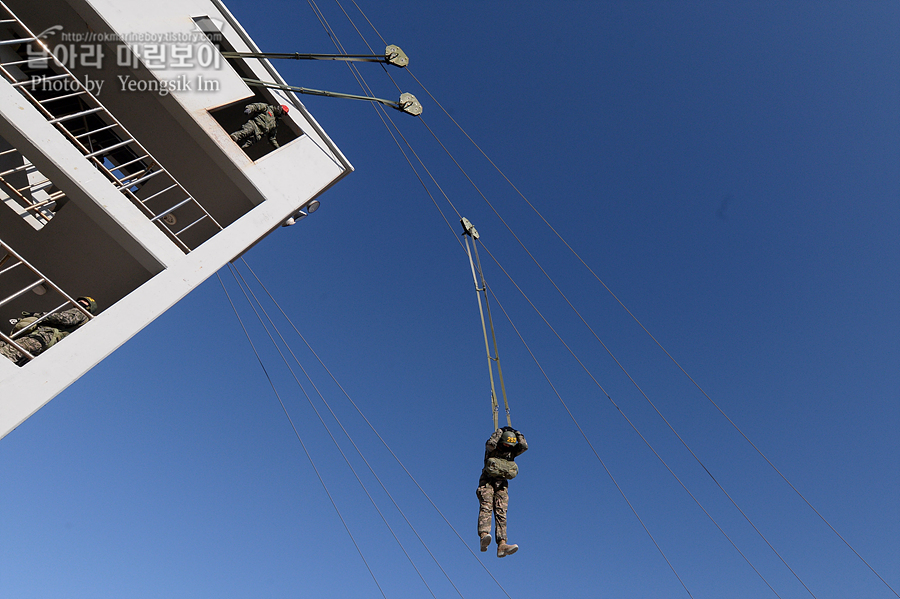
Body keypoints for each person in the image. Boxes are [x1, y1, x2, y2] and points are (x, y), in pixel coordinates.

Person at [477, 425, 528, 558]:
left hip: (501, 486)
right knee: (487, 506)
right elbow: (490, 443)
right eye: (505, 444)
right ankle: (484, 536)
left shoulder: (511, 452)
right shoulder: (492, 449)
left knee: (501, 513)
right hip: (487, 483)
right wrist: (500, 432)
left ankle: (502, 545)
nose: (506, 448)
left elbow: (524, 446)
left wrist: (517, 434)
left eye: (509, 445)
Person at [0, 296, 96, 365]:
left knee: (8, 352)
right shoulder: (83, 321)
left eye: (84, 302)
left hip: (42, 337)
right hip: (44, 340)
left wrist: (39, 315)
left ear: (89, 307)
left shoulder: (80, 312)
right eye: (79, 301)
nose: (80, 303)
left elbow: (64, 318)